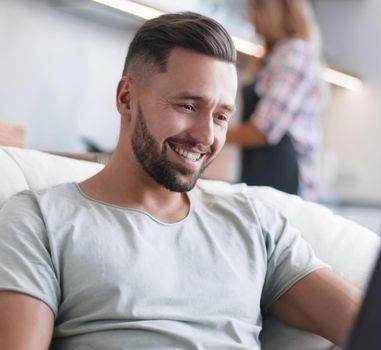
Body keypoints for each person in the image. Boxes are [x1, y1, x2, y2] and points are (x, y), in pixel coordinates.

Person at [0, 12, 361, 349]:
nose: (206, 136)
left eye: (221, 116)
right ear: (127, 98)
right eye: (188, 106)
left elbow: (380, 327)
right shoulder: (39, 220)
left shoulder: (254, 223)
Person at [226, 0, 324, 200]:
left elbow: (264, 130)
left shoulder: (296, 53)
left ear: (272, 12)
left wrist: (210, 135)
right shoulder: (272, 56)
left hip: (286, 181)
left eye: (254, 11)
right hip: (261, 174)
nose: (251, 19)